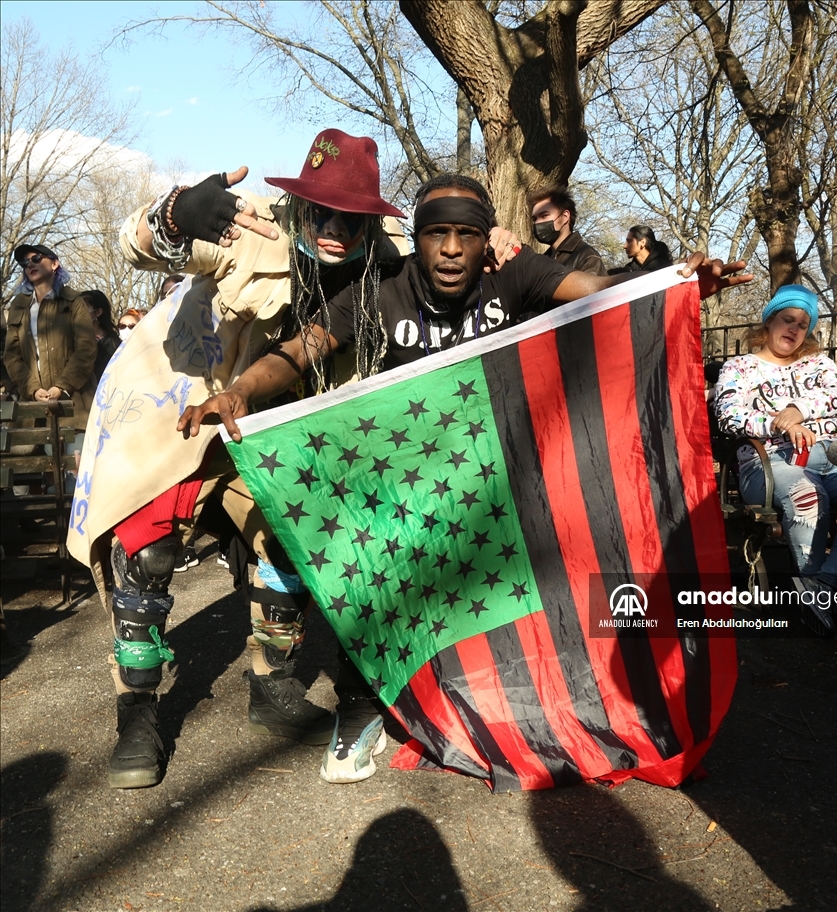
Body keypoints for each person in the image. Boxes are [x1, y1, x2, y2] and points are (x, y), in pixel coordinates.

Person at [180, 171, 751, 783]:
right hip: (415, 478)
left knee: (529, 580)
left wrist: (676, 289)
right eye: (437, 235)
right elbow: (299, 350)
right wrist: (239, 390)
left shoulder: (517, 274)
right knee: (379, 577)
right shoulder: (381, 290)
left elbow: (602, 291)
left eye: (466, 236)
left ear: (487, 244)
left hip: (503, 472)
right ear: (417, 240)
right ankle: (360, 703)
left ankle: (536, 693)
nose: (451, 249)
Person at [69, 128, 447, 790]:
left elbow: (453, 268)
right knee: (147, 548)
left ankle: (270, 685)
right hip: (181, 411)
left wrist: (501, 244)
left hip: (276, 431)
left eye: (351, 217)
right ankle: (137, 710)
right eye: (321, 210)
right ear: (299, 202)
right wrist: (176, 213)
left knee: (297, 547)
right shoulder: (249, 226)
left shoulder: (387, 258)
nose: (333, 228)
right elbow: (140, 244)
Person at [713, 284, 837, 636]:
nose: (794, 330)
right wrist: (775, 423)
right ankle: (812, 589)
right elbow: (729, 415)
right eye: (787, 320)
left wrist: (797, 410)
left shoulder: (820, 364)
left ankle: (820, 591)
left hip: (833, 455)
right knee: (807, 497)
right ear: (768, 322)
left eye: (802, 324)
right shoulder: (741, 367)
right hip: (769, 461)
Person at [3, 243, 97, 490]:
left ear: (54, 264)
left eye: (36, 258)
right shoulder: (19, 306)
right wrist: (33, 389)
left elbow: (86, 349)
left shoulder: (73, 301)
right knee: (40, 480)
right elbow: (12, 356)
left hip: (74, 404)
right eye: (25, 263)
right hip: (34, 406)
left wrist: (61, 386)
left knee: (76, 479)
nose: (29, 264)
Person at [527, 186, 606, 275]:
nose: (537, 223)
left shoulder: (587, 256)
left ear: (565, 217)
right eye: (534, 219)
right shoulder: (542, 260)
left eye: (544, 216)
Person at [81, 290, 120, 383]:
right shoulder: (75, 340)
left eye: (83, 309)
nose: (78, 314)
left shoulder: (113, 345)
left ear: (98, 312)